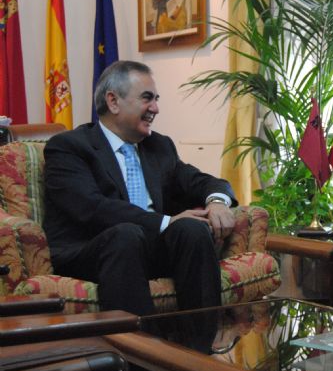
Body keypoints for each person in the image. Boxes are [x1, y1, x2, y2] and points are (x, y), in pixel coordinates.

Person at [43, 60, 237, 316]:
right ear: (113, 102)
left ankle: (199, 348)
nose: (155, 108)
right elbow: (91, 208)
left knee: (192, 230)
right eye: (147, 98)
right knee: (126, 234)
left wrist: (217, 201)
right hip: (91, 250)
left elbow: (201, 181)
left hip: (147, 248)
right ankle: (139, 351)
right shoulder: (69, 147)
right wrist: (165, 222)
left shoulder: (159, 146)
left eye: (156, 99)